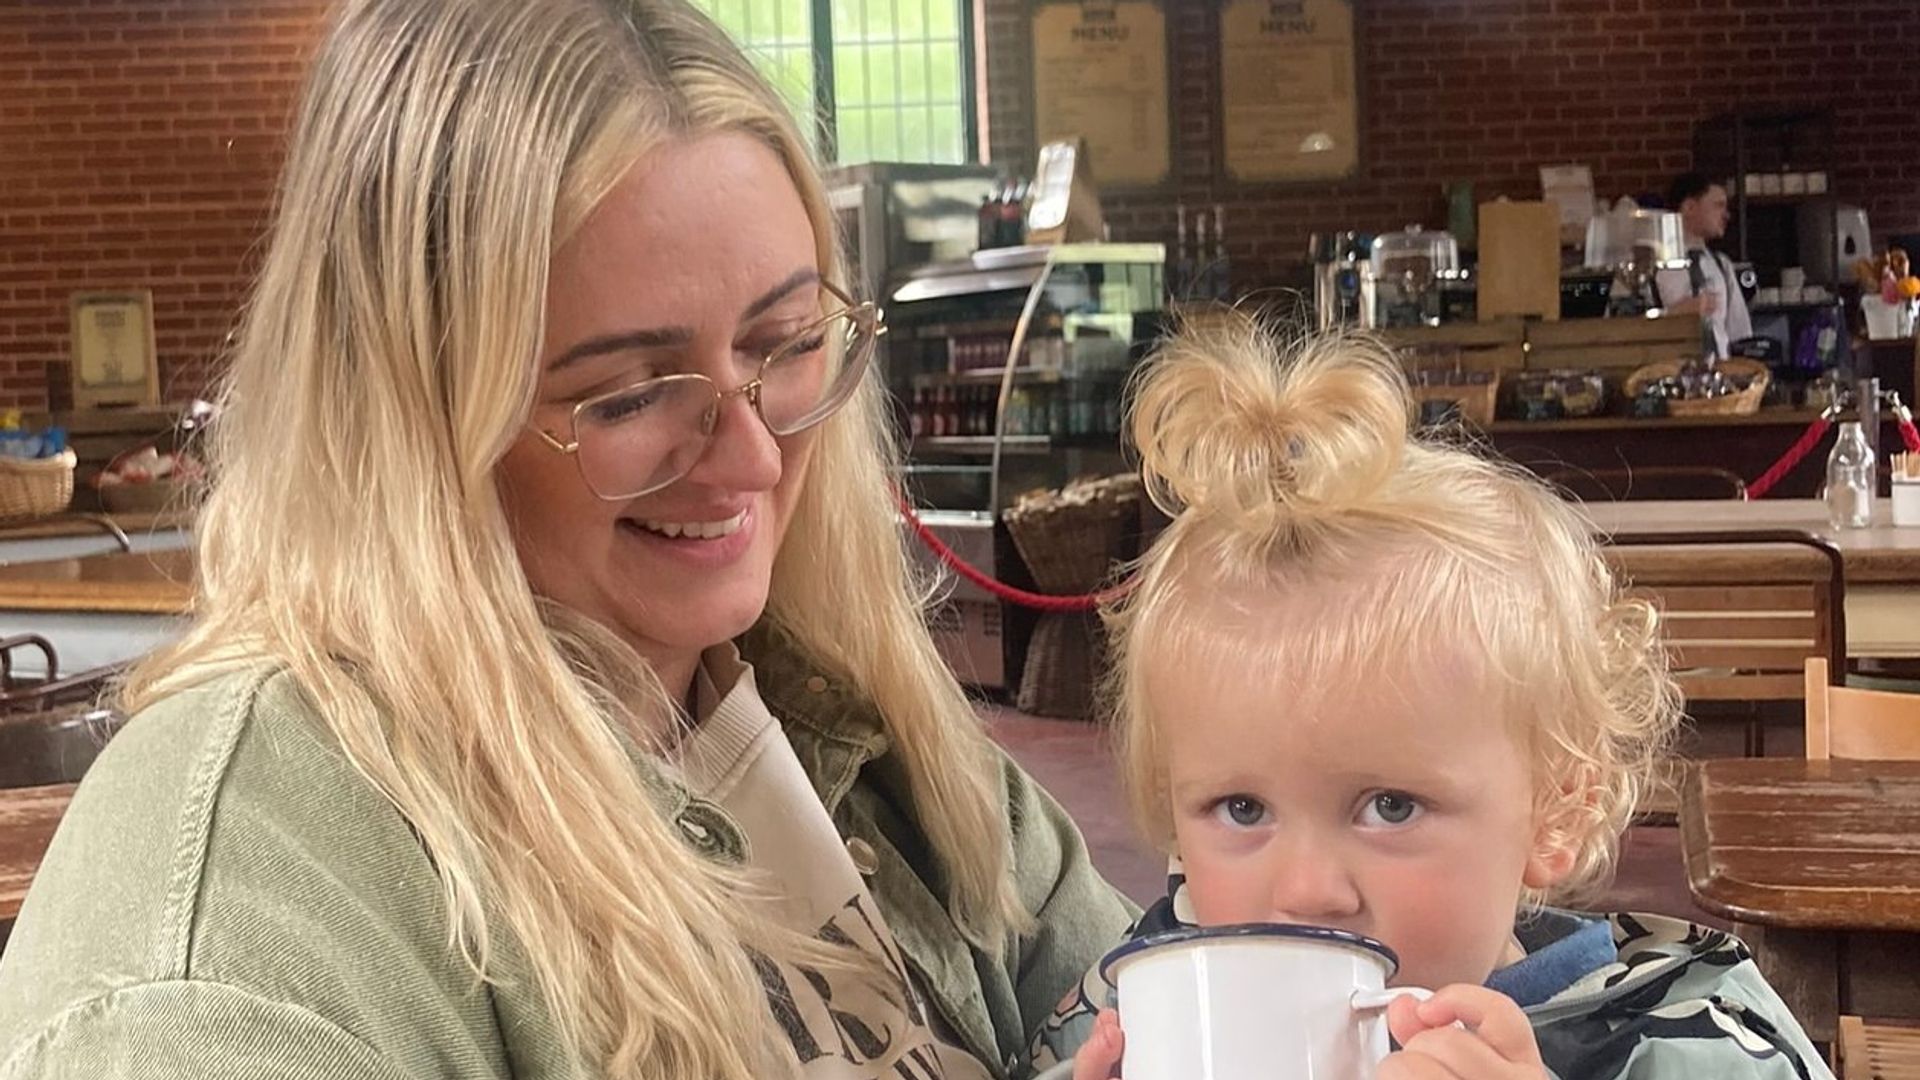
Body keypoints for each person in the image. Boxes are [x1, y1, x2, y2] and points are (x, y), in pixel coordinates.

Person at [0, 2, 1132, 1077]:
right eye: (631, 393)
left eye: (783, 343)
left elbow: (1140, 982)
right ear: (412, 420)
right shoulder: (236, 940)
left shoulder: (834, 712)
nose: (753, 462)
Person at [1040, 318, 1829, 1080]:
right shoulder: (1130, 1012)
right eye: (1242, 809)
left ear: (1557, 808)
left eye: (1389, 806)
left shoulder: (1680, 1039)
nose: (1308, 890)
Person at [1655, 172, 1754, 360]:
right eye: (1718, 206)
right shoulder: (1654, 267)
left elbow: (1739, 333)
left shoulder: (1722, 265)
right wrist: (1672, 315)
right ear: (1690, 207)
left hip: (1720, 375)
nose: (1726, 215)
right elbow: (1631, 327)